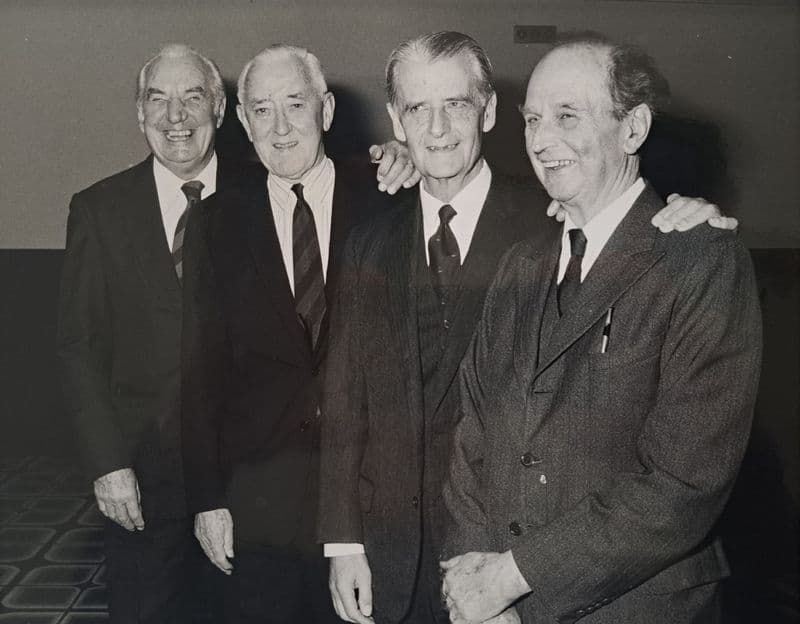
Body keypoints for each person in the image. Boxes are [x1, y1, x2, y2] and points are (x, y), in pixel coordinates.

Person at [318, 31, 731, 624]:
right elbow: (344, 397)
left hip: (524, 560)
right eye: (416, 109)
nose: (436, 129)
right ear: (395, 120)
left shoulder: (552, 222)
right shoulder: (369, 242)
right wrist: (344, 542)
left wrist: (689, 215)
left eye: (456, 104)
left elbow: (632, 224)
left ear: (487, 110)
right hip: (392, 557)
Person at [441, 33, 762, 624]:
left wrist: (511, 578)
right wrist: (474, 581)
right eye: (533, 118)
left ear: (633, 129)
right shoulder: (522, 262)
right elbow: (473, 430)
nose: (541, 140)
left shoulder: (701, 260)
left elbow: (682, 483)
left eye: (567, 116)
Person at [180, 44, 413, 623]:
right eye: (262, 110)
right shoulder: (215, 222)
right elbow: (198, 370)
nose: (281, 127)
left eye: (295, 104)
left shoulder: (392, 198)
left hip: (369, 493)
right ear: (243, 123)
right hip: (258, 500)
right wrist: (208, 497)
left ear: (327, 110)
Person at [56, 43, 249, 623]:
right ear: (139, 113)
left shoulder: (264, 196)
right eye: (157, 99)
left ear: (219, 109)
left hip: (248, 479)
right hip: (141, 482)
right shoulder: (99, 210)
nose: (175, 117)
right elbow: (78, 347)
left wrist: (398, 160)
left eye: (193, 97)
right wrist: (106, 462)